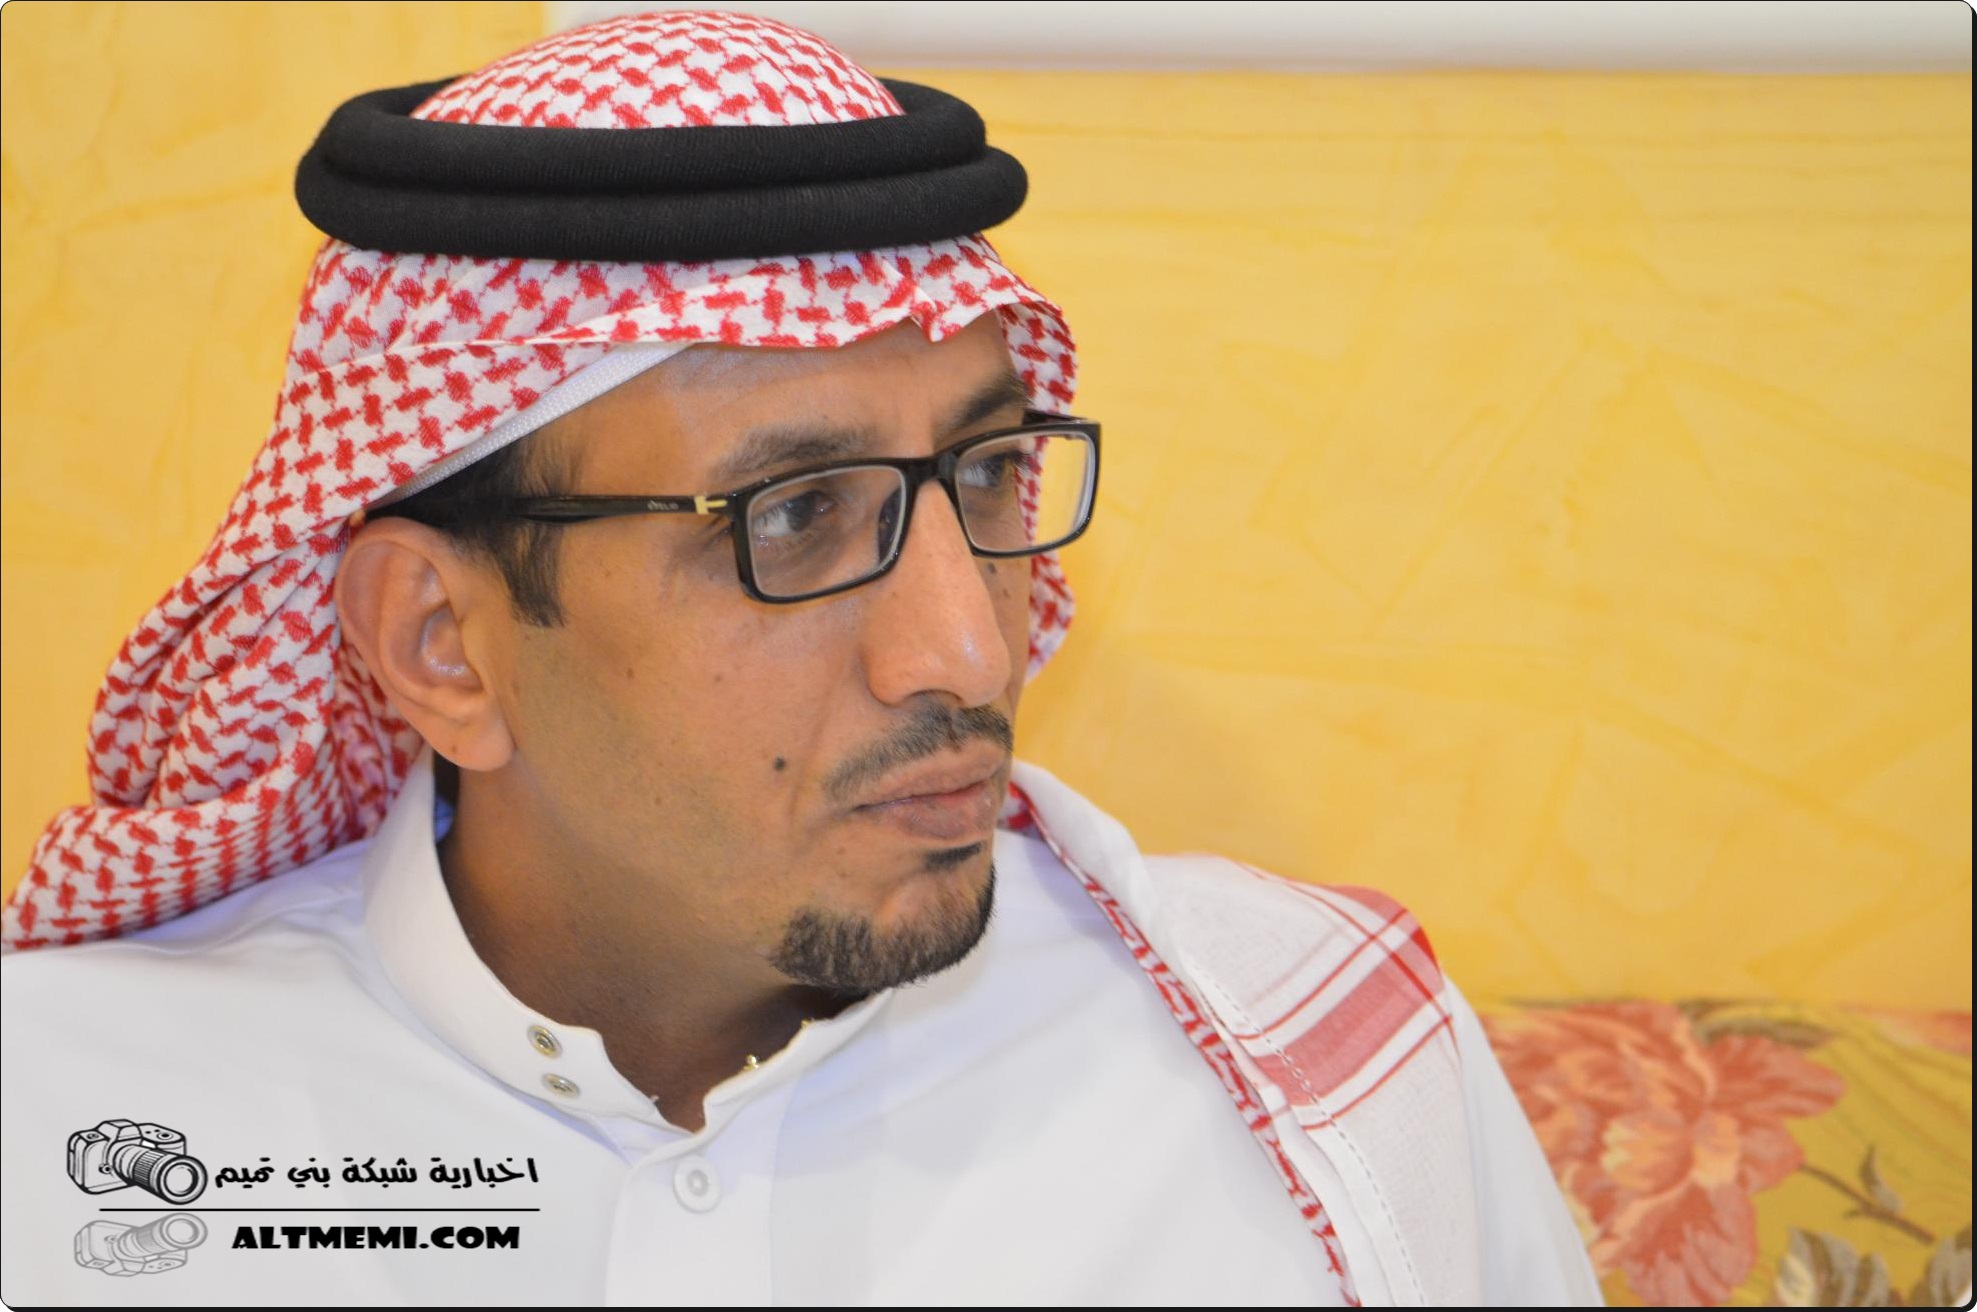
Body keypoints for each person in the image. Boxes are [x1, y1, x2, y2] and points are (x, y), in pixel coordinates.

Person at [0, 10, 1603, 1306]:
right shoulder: (61, 1125)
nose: (964, 648)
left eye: (987, 475)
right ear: (442, 646)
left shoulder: (1327, 1080)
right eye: (793, 517)